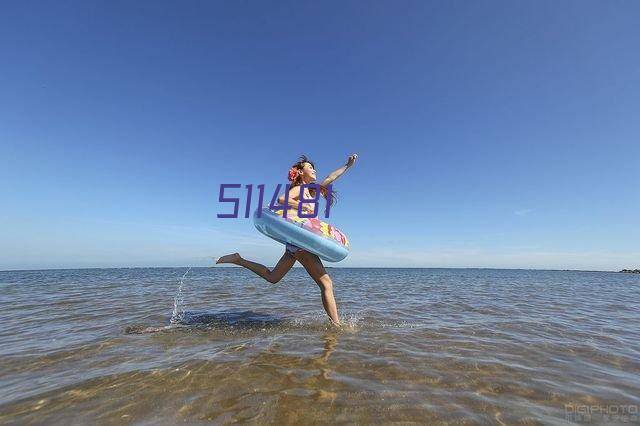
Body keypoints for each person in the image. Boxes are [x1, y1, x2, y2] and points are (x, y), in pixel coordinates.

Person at [216, 154, 358, 327]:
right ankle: (336, 327)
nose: (314, 170)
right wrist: (302, 205)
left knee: (273, 277)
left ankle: (239, 259)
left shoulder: (311, 190)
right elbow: (281, 199)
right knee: (326, 284)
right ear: (300, 172)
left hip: (296, 243)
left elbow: (331, 177)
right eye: (310, 167)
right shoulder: (300, 189)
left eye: (314, 167)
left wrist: (347, 165)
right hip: (301, 243)